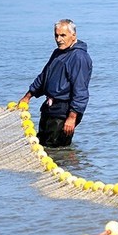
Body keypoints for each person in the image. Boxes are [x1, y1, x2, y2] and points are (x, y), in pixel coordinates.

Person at [19, 19, 93, 148]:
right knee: (41, 145)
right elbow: (43, 77)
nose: (59, 39)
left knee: (57, 150)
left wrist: (72, 117)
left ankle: (71, 166)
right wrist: (27, 96)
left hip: (64, 111)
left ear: (73, 35)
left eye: (63, 35)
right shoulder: (58, 52)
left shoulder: (79, 57)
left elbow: (80, 90)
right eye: (56, 35)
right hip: (50, 108)